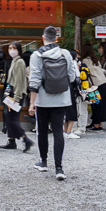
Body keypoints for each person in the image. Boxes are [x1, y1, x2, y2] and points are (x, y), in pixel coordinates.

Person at [28, 26, 77, 181]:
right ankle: (59, 168)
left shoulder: (37, 55)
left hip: (43, 100)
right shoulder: (66, 54)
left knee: (42, 131)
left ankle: (43, 162)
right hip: (61, 99)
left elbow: (34, 79)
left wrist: (32, 103)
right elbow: (72, 76)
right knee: (58, 132)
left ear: (43, 38)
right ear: (56, 38)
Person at [0, 42, 34, 152]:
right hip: (12, 92)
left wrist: (17, 97)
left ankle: (25, 139)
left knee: (12, 119)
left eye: (14, 48)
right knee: (10, 118)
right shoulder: (14, 61)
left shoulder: (19, 62)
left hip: (16, 93)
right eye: (10, 48)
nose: (11, 50)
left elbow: (19, 81)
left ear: (19, 50)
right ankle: (11, 140)